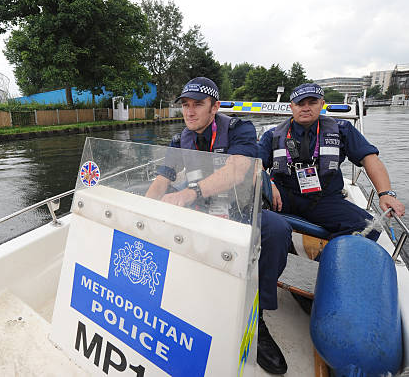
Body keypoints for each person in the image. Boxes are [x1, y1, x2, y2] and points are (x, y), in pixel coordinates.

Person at [146, 77, 292, 375]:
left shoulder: (241, 129)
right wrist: (143, 211)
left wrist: (189, 193)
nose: (189, 111)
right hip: (202, 211)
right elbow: (161, 179)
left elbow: (238, 170)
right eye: (185, 105)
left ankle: (256, 317)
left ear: (214, 107)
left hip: (239, 210)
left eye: (198, 104)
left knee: (277, 230)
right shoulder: (179, 139)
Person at [258, 83, 405, 243]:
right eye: (300, 103)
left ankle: (326, 258)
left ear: (322, 104)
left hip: (323, 199)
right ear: (291, 107)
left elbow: (369, 159)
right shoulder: (272, 135)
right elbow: (254, 164)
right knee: (245, 211)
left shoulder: (343, 129)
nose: (306, 108)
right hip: (281, 196)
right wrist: (267, 184)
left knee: (368, 229)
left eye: (312, 103)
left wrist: (385, 193)